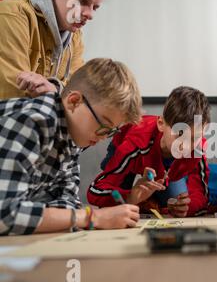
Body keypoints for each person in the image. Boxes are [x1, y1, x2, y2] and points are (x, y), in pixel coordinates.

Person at [0, 58, 143, 235]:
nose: (105, 137)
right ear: (74, 101)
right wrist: (94, 217)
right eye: (103, 126)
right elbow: (5, 214)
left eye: (112, 131)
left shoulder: (71, 138)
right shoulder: (33, 122)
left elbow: (66, 202)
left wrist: (72, 215)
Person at [87, 86, 211, 218]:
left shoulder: (198, 148)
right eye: (179, 135)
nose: (185, 147)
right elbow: (96, 191)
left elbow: (201, 195)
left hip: (159, 167)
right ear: (161, 123)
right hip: (129, 150)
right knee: (117, 204)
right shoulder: (134, 144)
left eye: (194, 139)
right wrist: (130, 196)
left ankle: (149, 199)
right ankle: (141, 197)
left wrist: (187, 207)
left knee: (173, 204)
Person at [0, 0, 104, 99]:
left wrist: (55, 89)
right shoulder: (12, 15)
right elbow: (12, 98)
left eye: (95, 7)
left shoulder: (74, 38)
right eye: (82, 0)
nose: (90, 15)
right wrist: (61, 96)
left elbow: (82, 95)